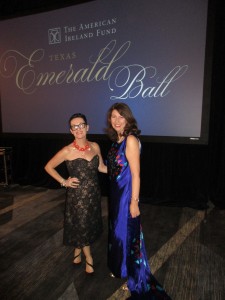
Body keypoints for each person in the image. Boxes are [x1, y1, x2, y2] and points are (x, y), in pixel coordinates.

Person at [106, 103, 171, 299]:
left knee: (129, 235)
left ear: (128, 118)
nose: (116, 121)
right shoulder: (117, 139)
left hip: (127, 196)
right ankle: (123, 268)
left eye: (120, 117)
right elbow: (114, 170)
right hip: (116, 196)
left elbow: (136, 174)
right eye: (113, 117)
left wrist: (134, 202)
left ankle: (136, 278)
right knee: (119, 233)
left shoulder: (131, 140)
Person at [45, 113, 107, 274]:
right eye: (75, 126)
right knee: (81, 223)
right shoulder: (67, 150)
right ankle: (89, 257)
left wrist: (120, 170)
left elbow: (101, 167)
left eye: (81, 125)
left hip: (93, 194)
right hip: (77, 196)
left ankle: (77, 249)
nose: (78, 129)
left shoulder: (95, 146)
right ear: (71, 131)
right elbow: (49, 166)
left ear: (87, 127)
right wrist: (64, 181)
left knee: (87, 223)